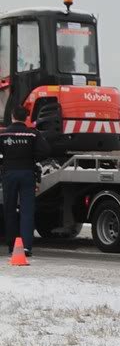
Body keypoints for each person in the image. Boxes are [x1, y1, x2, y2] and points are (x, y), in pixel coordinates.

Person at [0, 106, 51, 256]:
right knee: (27, 211)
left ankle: (12, 246)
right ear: (26, 118)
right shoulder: (33, 134)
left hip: (9, 174)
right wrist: (33, 158)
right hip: (28, 173)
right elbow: (46, 151)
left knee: (9, 210)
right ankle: (26, 246)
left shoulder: (4, 134)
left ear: (13, 116)